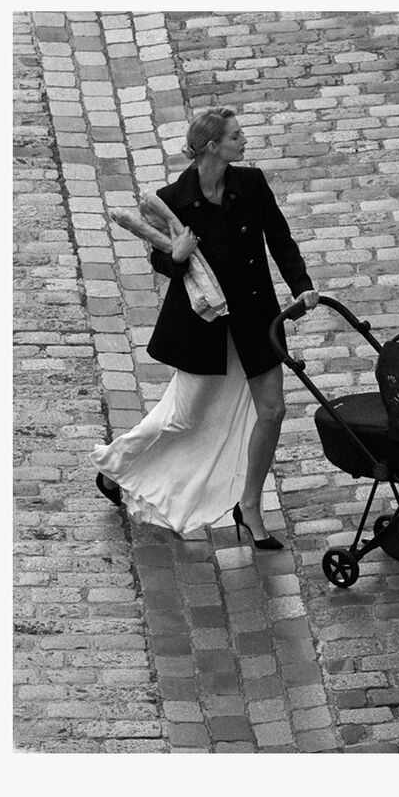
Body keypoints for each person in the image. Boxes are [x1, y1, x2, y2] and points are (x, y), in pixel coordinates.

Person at [92, 107, 319, 548]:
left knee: (272, 411)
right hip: (203, 326)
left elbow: (280, 237)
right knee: (183, 417)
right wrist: (175, 254)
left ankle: (248, 506)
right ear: (213, 146)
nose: (244, 140)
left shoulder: (250, 183)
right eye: (236, 135)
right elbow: (160, 262)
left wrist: (302, 285)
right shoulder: (173, 199)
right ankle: (115, 465)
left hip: (256, 317)